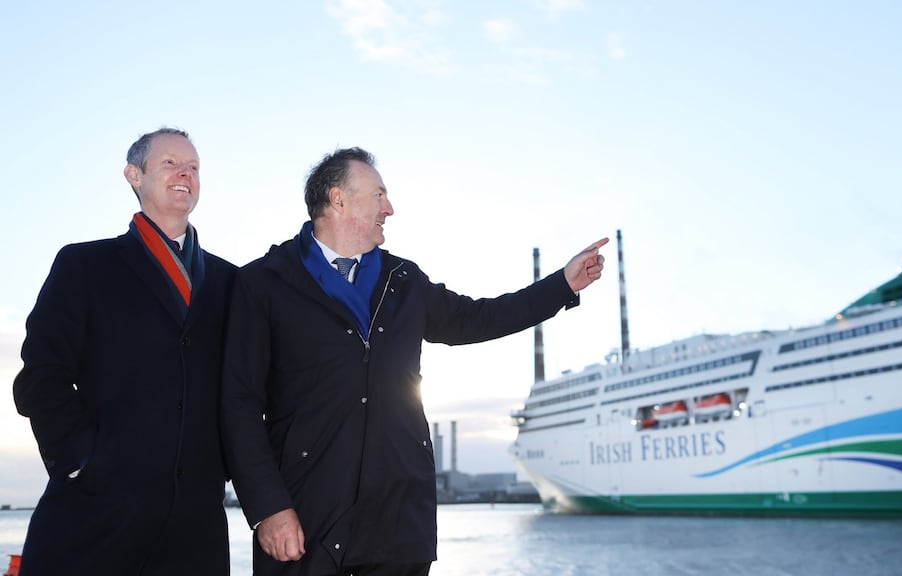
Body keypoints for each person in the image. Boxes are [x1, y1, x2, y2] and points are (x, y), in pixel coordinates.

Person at [221, 147, 607, 576]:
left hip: (397, 523)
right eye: (379, 195)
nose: (390, 208)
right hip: (305, 518)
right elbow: (238, 405)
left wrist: (561, 286)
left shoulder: (403, 281)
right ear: (338, 199)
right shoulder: (263, 283)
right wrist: (268, 508)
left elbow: (478, 318)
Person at [13, 128, 237, 575]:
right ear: (134, 175)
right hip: (96, 510)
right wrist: (79, 461)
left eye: (194, 167)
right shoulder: (84, 265)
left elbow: (247, 385)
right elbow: (42, 374)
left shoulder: (232, 282)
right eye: (171, 163)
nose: (185, 174)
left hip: (197, 524)